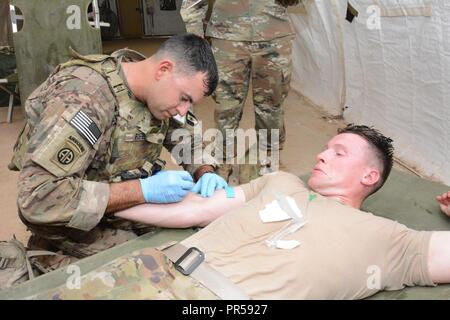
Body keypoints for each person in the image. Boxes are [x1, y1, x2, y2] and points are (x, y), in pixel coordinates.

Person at [36, 125, 450, 300]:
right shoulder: (281, 181)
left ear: (370, 175)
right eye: (325, 146)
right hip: (148, 267)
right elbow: (194, 210)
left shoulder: (391, 241)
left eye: (338, 152)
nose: (322, 154)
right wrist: (111, 196)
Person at [9, 34, 228, 264]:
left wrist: (205, 171)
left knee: (201, 237)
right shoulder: (86, 97)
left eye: (190, 103)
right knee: (153, 266)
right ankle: (46, 256)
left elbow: (186, 139)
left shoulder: (160, 93)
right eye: (184, 99)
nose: (184, 111)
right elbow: (37, 198)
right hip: (75, 220)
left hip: (123, 207)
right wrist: (143, 190)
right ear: (164, 69)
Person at [180, 0, 300, 180]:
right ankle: (222, 160)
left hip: (274, 36)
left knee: (271, 106)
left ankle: (267, 159)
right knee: (226, 107)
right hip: (227, 37)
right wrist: (196, 37)